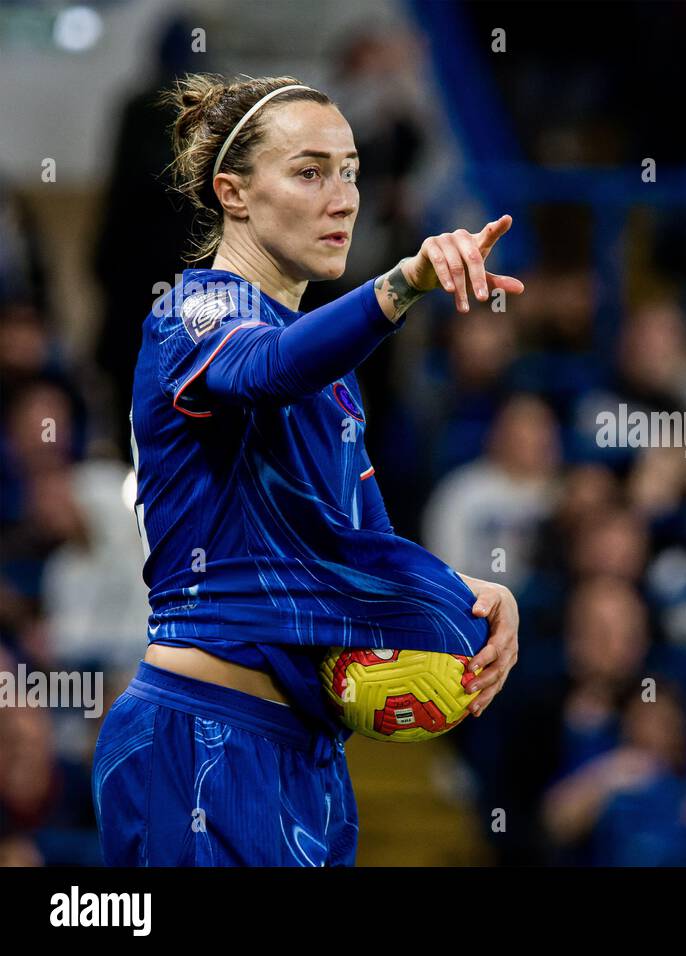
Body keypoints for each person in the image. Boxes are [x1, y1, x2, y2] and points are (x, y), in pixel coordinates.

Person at [91, 74, 524, 866]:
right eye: (309, 171)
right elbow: (267, 370)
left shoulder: (333, 370)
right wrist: (401, 285)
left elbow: (356, 540)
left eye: (352, 170)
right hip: (200, 740)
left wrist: (459, 595)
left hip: (309, 757)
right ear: (234, 193)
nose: (344, 197)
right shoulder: (194, 314)